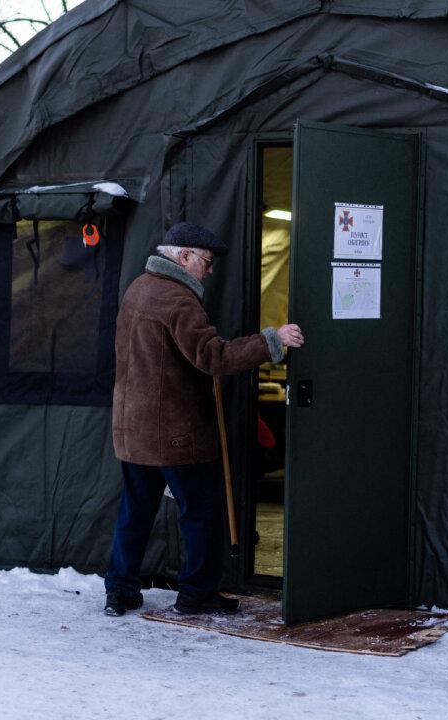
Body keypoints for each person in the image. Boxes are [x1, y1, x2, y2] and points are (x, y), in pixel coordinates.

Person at [104, 222, 304, 616]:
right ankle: (197, 594)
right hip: (174, 434)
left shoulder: (138, 288)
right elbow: (212, 356)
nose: (210, 271)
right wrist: (272, 341)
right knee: (201, 513)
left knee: (136, 511)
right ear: (183, 256)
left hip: (132, 429)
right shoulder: (177, 300)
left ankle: (120, 589)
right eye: (206, 262)